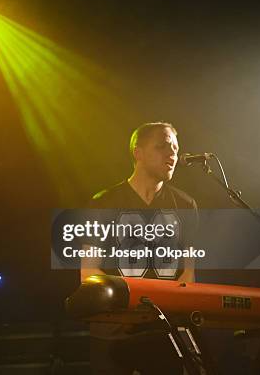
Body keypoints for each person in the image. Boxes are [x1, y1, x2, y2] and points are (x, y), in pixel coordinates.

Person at [81, 121, 198, 375]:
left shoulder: (186, 205)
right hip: (114, 331)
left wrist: (162, 309)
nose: (173, 154)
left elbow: (189, 274)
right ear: (138, 153)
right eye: (163, 146)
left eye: (176, 149)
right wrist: (132, 305)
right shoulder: (102, 204)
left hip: (164, 330)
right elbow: (88, 272)